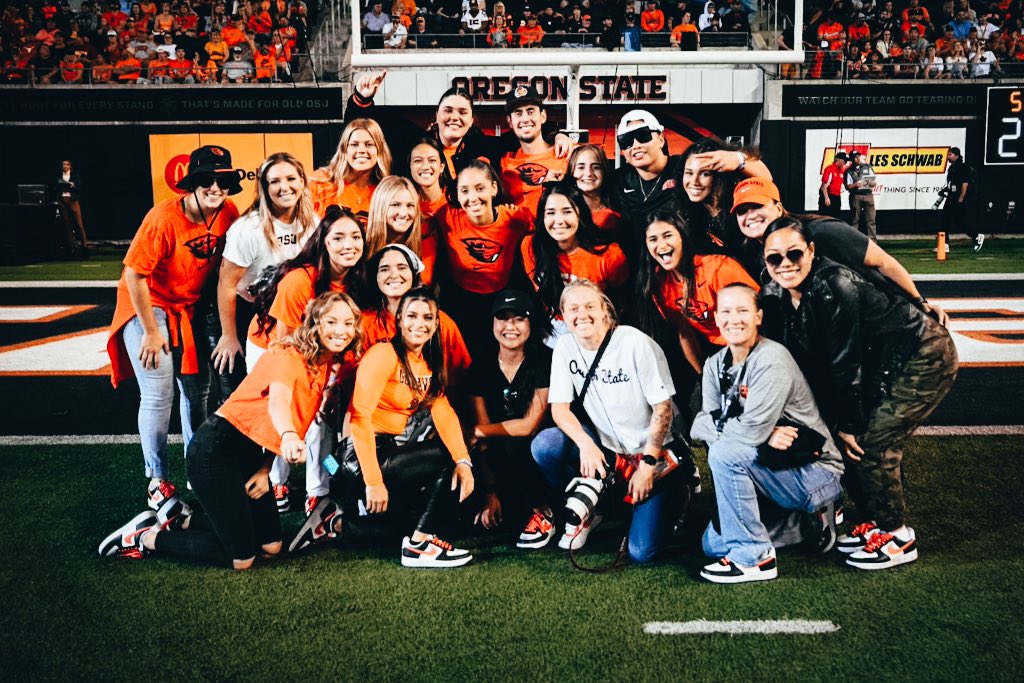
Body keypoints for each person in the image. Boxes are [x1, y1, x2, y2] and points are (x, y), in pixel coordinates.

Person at [99, 292, 361, 570]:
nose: (340, 330)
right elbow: (279, 402)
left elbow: (286, 422)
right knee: (242, 559)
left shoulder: (323, 365)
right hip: (214, 451)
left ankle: (182, 519)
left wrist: (264, 470)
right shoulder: (289, 355)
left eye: (348, 323)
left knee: (272, 546)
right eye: (331, 321)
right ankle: (146, 537)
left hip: (247, 453)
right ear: (315, 324)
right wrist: (287, 435)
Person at [760, 217, 958, 570]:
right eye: (774, 258)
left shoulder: (833, 284)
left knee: (871, 442)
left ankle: (897, 535)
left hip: (922, 354)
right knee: (848, 439)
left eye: (794, 254)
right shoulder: (775, 292)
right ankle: (874, 522)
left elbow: (844, 360)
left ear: (811, 251)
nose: (785, 264)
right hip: (879, 363)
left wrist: (850, 422)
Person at [290, 288, 476, 568]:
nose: (419, 323)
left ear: (436, 323)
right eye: (411, 316)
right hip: (355, 459)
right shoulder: (383, 354)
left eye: (427, 317)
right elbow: (360, 418)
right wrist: (373, 482)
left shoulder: (427, 363)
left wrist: (464, 461)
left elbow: (442, 410)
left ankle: (333, 524)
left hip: (386, 452)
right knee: (443, 457)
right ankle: (418, 547)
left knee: (427, 520)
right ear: (399, 319)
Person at [106, 145, 242, 511]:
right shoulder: (163, 218)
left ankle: (197, 468)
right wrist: (151, 331)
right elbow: (134, 275)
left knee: (198, 392)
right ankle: (157, 480)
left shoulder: (229, 212)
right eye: (207, 180)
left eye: (223, 181)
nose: (215, 188)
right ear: (192, 183)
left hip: (190, 307)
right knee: (158, 392)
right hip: (148, 304)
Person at [691, 283, 844, 583]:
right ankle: (806, 524)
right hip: (767, 466)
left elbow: (739, 430)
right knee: (713, 544)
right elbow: (700, 426)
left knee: (723, 453)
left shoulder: (772, 358)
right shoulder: (713, 365)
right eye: (726, 312)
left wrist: (753, 431)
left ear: (758, 316)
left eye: (743, 311)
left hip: (814, 470)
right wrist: (766, 432)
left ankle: (754, 557)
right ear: (716, 318)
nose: (734, 319)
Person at [531, 280, 686, 562]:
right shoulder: (565, 346)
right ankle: (593, 508)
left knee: (642, 552)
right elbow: (560, 410)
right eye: (573, 309)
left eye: (589, 306)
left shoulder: (634, 342)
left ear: (605, 309)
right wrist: (586, 445)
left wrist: (647, 466)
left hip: (653, 452)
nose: (582, 315)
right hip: (610, 449)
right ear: (563, 315)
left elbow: (663, 409)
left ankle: (680, 490)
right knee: (545, 445)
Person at [250, 205, 367, 515]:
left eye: (355, 237)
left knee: (322, 416)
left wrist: (330, 386)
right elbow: (282, 344)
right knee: (285, 411)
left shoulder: (358, 280)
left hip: (323, 353)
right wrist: (308, 386)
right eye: (338, 237)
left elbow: (346, 338)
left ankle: (318, 491)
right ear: (323, 242)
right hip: (273, 347)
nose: (348, 244)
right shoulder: (300, 280)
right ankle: (277, 480)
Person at [731, 177, 950, 327]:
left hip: (886, 322)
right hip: (842, 328)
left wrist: (920, 302)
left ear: (778, 208)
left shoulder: (821, 231)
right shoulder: (756, 254)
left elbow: (884, 262)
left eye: (758, 206)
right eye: (742, 211)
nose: (750, 215)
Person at [345, 71, 570, 193]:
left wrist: (556, 134)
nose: (455, 117)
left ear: (471, 120)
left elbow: (525, 130)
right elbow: (360, 129)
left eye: (463, 112)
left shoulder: (483, 147)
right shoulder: (413, 142)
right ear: (437, 114)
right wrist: (362, 99)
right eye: (448, 110)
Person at [211, 152, 317, 401]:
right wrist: (229, 336)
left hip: (286, 312)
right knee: (241, 395)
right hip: (244, 308)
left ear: (302, 181)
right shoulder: (249, 228)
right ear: (264, 188)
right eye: (275, 181)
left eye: (291, 178)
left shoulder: (313, 223)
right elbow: (227, 284)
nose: (284, 187)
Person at [467, 290, 554, 547]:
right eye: (503, 318)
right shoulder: (481, 365)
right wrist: (489, 492)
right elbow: (482, 442)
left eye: (519, 319)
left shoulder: (545, 360)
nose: (510, 326)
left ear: (531, 323)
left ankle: (545, 511)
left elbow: (529, 425)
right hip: (500, 460)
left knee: (517, 445)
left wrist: (478, 430)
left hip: (537, 453)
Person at [636, 207, 758, 375]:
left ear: (682, 236)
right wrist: (702, 376)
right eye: (653, 239)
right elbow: (684, 333)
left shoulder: (719, 268)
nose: (661, 245)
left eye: (668, 235)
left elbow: (756, 318)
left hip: (751, 344)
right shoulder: (659, 282)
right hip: (716, 350)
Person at [436, 160, 532, 359]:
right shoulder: (447, 216)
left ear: (493, 188)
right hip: (460, 302)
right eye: (464, 191)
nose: (472, 198)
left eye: (480, 188)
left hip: (501, 302)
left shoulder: (516, 218)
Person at [521, 182, 628, 343]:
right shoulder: (531, 246)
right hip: (553, 327)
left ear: (580, 214)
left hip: (594, 325)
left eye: (567, 211)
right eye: (550, 213)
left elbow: (621, 298)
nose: (559, 220)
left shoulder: (608, 254)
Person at [360, 244, 471, 381]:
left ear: (414, 274)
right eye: (384, 269)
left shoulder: (442, 322)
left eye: (402, 267)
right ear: (375, 277)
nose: (394, 275)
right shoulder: (365, 323)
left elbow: (462, 377)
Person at [499, 83, 568, 220]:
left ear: (542, 116)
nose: (525, 119)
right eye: (518, 113)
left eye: (530, 111)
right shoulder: (503, 161)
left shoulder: (566, 153)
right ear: (510, 122)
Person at [309, 118, 392, 223]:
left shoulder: (386, 192)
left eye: (369, 144)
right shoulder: (319, 183)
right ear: (345, 149)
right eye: (354, 144)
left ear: (379, 150)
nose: (361, 150)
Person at [406, 137, 446, 283]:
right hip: (417, 284)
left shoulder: (456, 200)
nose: (425, 166)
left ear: (442, 167)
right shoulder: (405, 205)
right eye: (418, 161)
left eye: (432, 160)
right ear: (410, 167)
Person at [363, 175, 424, 268]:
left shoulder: (425, 246)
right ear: (380, 207)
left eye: (410, 205)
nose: (403, 213)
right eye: (395, 205)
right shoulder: (361, 246)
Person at [568, 143, 621, 235]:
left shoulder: (615, 215)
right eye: (581, 167)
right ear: (571, 171)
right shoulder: (564, 212)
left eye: (596, 167)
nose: (588, 173)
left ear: (604, 172)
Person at [942, 147, 984, 251]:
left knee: (959, 222)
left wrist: (961, 198)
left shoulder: (963, 167)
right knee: (945, 219)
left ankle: (976, 236)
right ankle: (944, 245)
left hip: (958, 198)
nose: (948, 157)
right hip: (952, 197)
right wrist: (945, 190)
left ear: (956, 156)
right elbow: (951, 183)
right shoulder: (952, 168)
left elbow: (965, 184)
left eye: (950, 155)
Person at [53, 159, 90, 256]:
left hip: (72, 200)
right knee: (67, 224)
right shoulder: (59, 176)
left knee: (79, 224)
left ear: (70, 166)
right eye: (63, 164)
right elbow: (55, 188)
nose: (65, 166)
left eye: (67, 164)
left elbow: (79, 188)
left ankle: (84, 246)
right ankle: (71, 246)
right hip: (62, 201)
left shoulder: (74, 176)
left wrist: (73, 185)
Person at [843, 150, 877, 241]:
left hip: (868, 195)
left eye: (858, 156)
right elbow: (847, 186)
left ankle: (873, 240)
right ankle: (854, 240)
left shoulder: (867, 167)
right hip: (856, 196)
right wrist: (855, 185)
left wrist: (873, 183)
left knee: (871, 219)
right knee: (855, 219)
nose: (858, 159)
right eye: (855, 157)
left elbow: (874, 181)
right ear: (852, 159)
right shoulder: (848, 171)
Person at [818, 151, 847, 218]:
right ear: (838, 160)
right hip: (828, 195)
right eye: (844, 161)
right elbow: (824, 186)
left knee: (836, 217)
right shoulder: (829, 169)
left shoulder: (842, 170)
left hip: (837, 197)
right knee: (825, 217)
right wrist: (826, 198)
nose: (845, 163)